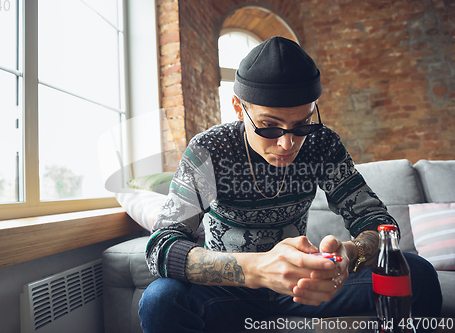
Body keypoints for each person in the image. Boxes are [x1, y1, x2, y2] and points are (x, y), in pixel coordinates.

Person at [139, 36, 442, 333]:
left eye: (301, 125)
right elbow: (161, 247)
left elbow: (381, 225)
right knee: (160, 300)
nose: (287, 143)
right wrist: (257, 270)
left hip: (304, 286)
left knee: (418, 273)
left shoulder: (321, 144)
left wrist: (350, 255)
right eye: (269, 126)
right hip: (230, 290)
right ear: (237, 106)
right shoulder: (210, 151)